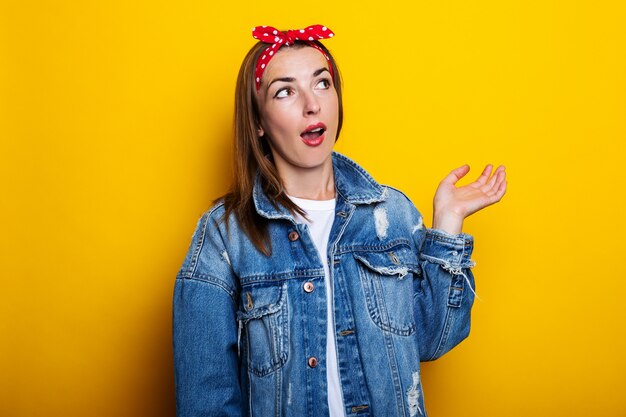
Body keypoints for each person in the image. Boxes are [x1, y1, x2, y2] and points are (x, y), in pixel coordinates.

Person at [173, 24, 507, 417]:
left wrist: (447, 224)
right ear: (258, 122)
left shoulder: (392, 214)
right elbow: (205, 400)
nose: (311, 104)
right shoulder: (224, 236)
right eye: (285, 91)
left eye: (322, 83)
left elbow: (433, 339)